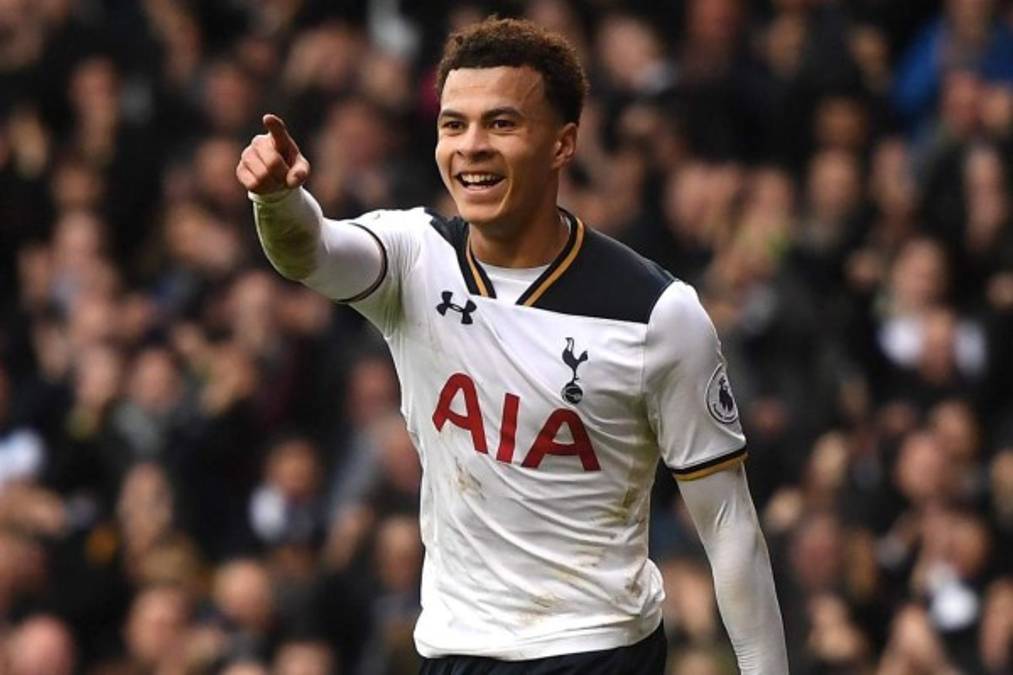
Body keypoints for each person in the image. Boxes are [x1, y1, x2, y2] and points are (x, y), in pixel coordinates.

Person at [236, 17, 788, 674]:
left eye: (501, 123)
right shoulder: (416, 258)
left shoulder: (657, 315)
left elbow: (727, 524)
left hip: (596, 650)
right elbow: (313, 250)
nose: (470, 146)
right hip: (455, 650)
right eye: (453, 125)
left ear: (562, 143)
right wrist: (278, 202)